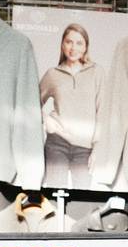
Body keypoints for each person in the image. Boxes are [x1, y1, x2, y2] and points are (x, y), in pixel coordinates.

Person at [39, 23, 103, 189]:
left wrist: (97, 148)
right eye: (69, 42)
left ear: (86, 47)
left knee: (82, 197)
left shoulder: (97, 72)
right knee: (54, 194)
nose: (73, 48)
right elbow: (30, 102)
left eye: (79, 43)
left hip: (85, 147)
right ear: (62, 44)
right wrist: (46, 119)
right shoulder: (53, 74)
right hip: (57, 143)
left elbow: (102, 110)